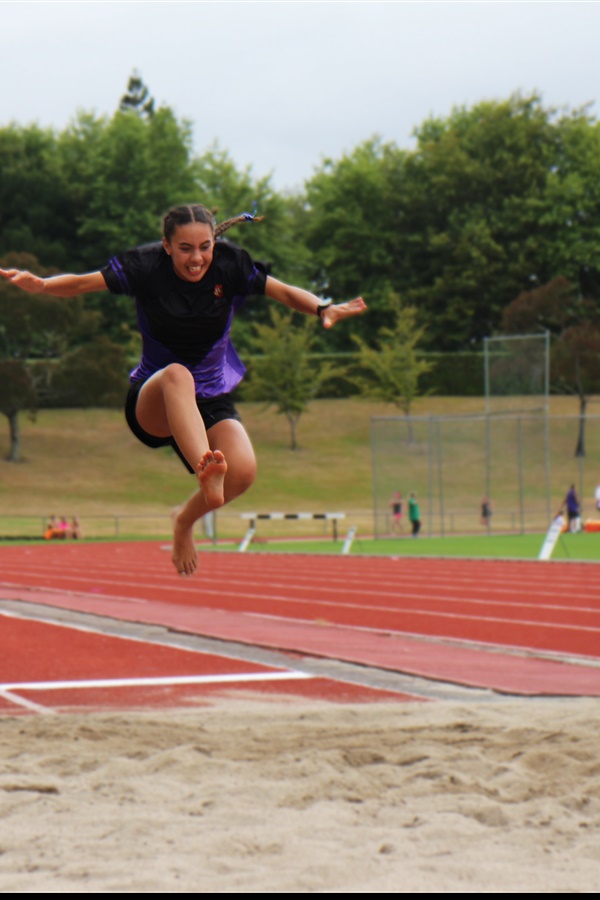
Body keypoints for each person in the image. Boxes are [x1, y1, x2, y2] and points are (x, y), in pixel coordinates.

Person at [1, 204, 366, 575]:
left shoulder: (230, 264)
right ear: (167, 246)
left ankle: (183, 521)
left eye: (205, 247)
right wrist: (43, 285)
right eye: (186, 249)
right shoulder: (145, 267)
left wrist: (323, 308)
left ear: (214, 242)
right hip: (155, 399)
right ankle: (203, 467)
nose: (197, 259)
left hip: (209, 397)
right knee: (177, 374)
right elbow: (83, 283)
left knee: (243, 472)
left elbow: (282, 291)